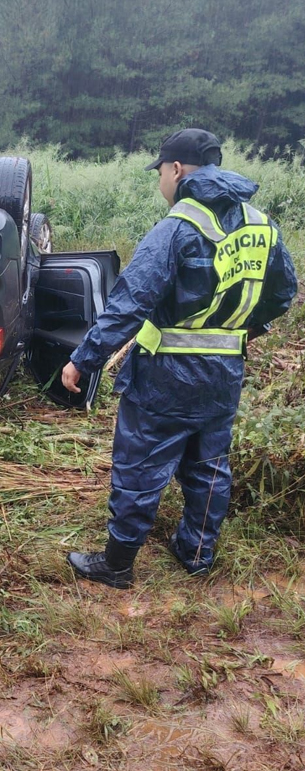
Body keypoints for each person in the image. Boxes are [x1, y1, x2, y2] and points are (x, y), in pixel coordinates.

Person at [61, 128, 297, 589]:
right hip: (223, 374)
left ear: (175, 169)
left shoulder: (178, 226)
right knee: (209, 465)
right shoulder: (261, 224)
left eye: (160, 174)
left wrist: (83, 360)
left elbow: (130, 304)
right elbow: (283, 292)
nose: (160, 183)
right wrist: (242, 327)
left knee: (141, 466)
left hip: (164, 377)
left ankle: (117, 564)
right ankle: (197, 554)